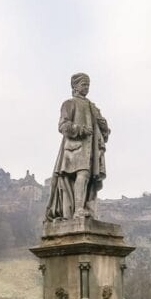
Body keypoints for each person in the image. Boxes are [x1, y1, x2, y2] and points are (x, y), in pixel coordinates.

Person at [45, 72, 110, 221]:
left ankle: (86, 208)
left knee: (89, 179)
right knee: (83, 174)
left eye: (88, 85)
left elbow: (103, 127)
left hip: (90, 149)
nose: (86, 88)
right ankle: (78, 210)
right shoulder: (69, 103)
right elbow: (63, 125)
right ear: (75, 86)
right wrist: (80, 130)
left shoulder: (92, 106)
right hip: (74, 149)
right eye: (83, 85)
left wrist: (104, 129)